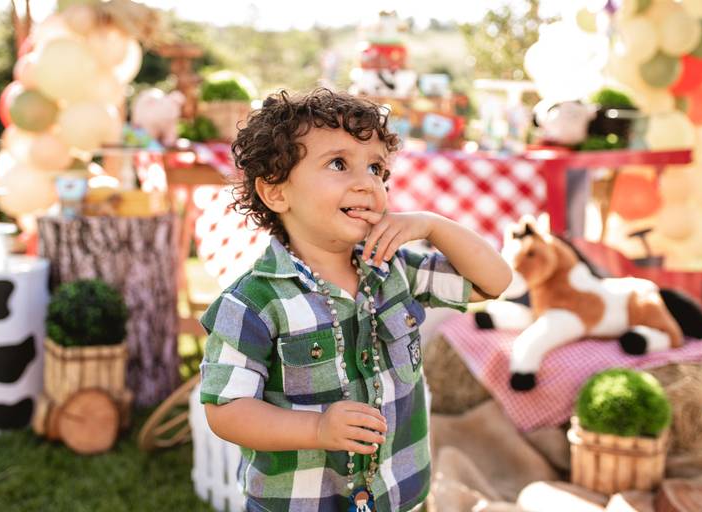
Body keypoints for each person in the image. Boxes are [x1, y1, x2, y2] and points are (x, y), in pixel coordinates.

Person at [200, 88, 512, 512]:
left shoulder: (393, 268)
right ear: (276, 192)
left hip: (397, 494)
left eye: (377, 168)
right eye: (338, 164)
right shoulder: (252, 303)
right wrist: (317, 429)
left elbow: (494, 281)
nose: (367, 183)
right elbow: (226, 410)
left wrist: (433, 226)